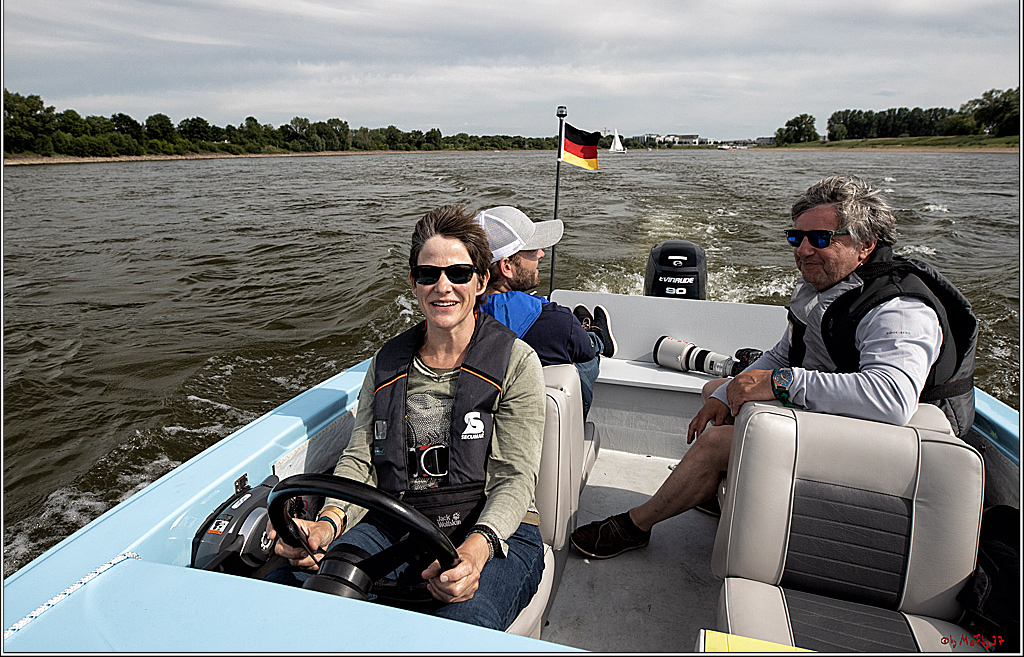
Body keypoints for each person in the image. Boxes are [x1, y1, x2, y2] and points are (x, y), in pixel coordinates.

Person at [570, 175, 977, 560]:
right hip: (858, 419)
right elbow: (785, 354)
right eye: (795, 237)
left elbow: (890, 400)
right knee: (714, 390)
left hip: (903, 447)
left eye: (820, 239)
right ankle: (710, 488)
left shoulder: (898, 309)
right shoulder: (827, 288)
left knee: (715, 444)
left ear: (865, 245)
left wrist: (781, 384)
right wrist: (733, 387)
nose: (802, 250)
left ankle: (637, 525)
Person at [267, 204, 547, 631]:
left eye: (458, 273)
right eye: (428, 274)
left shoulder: (516, 362)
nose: (443, 287)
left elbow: (514, 479)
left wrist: (473, 553)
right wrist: (327, 525)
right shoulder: (386, 363)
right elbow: (361, 461)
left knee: (461, 626)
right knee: (295, 590)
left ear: (482, 279)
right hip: (394, 519)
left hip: (492, 532)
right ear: (413, 282)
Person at [475, 205, 616, 419]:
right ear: (506, 266)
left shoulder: (454, 318)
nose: (541, 253)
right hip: (543, 431)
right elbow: (584, 353)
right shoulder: (556, 320)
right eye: (532, 250)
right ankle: (597, 335)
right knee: (587, 356)